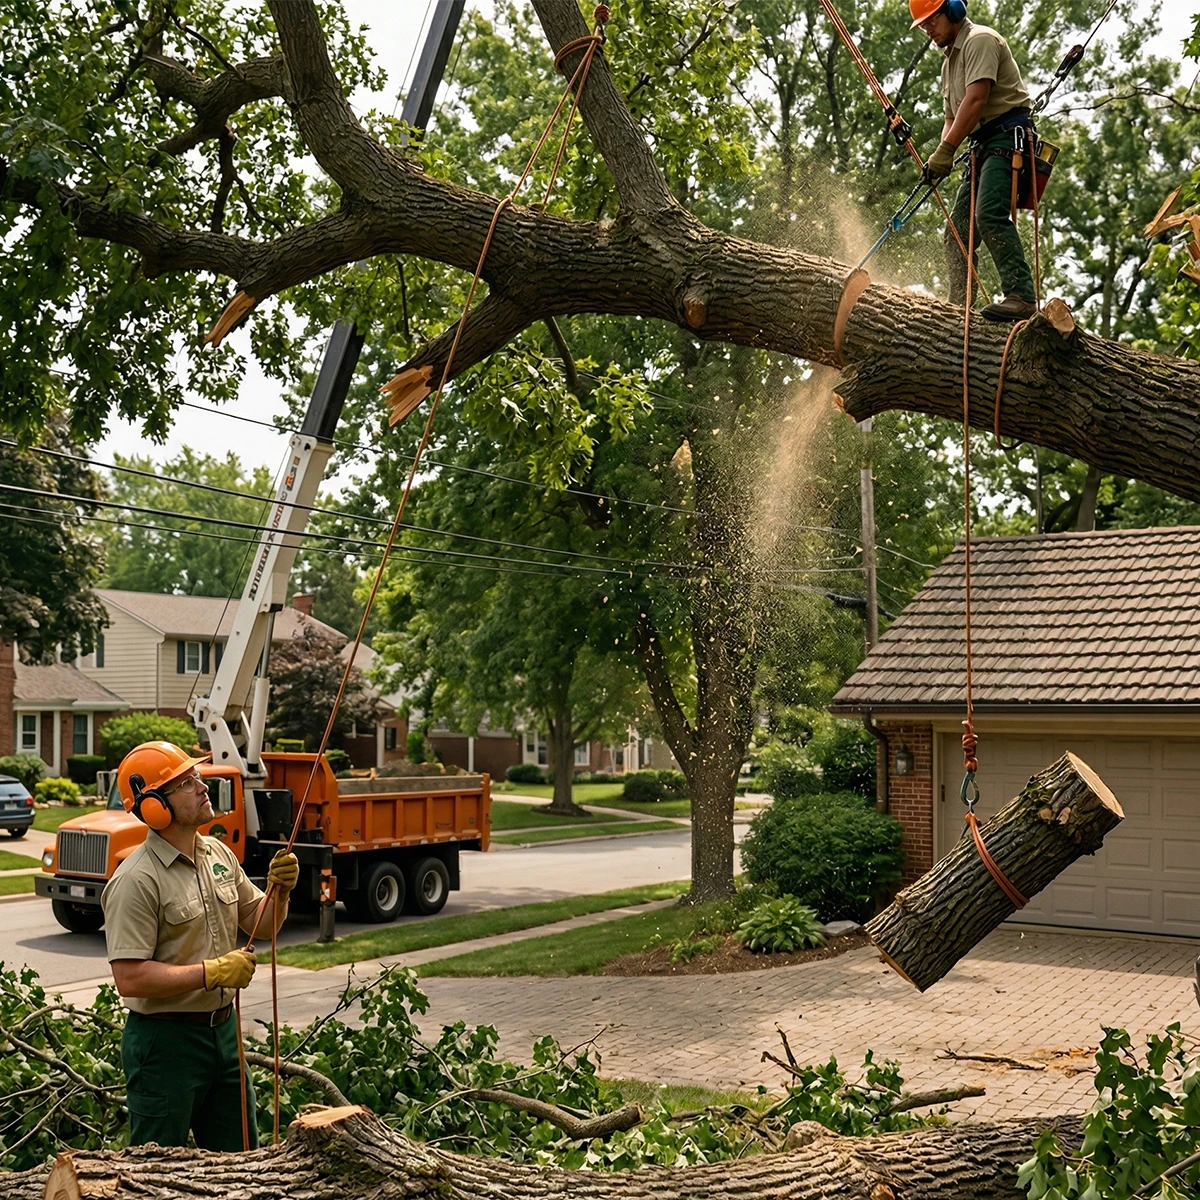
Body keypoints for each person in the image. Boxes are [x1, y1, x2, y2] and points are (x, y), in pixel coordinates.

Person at [101, 740, 299, 1151]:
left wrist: (279, 892)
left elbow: (262, 925)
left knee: (242, 1161)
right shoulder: (136, 880)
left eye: (196, 777)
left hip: (224, 1034)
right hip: (165, 1043)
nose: (203, 786)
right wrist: (211, 973)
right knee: (158, 1169)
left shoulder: (218, 854)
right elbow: (130, 977)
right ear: (155, 806)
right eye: (187, 782)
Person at [911, 0, 1038, 322]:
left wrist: (948, 150)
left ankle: (1021, 295)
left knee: (989, 214)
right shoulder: (948, 64)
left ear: (953, 10)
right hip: (980, 146)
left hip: (1007, 137)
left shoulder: (980, 40)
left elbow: (977, 99)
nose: (928, 30)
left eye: (931, 21)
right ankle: (959, 306)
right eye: (922, 25)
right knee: (957, 232)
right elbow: (952, 116)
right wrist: (942, 153)